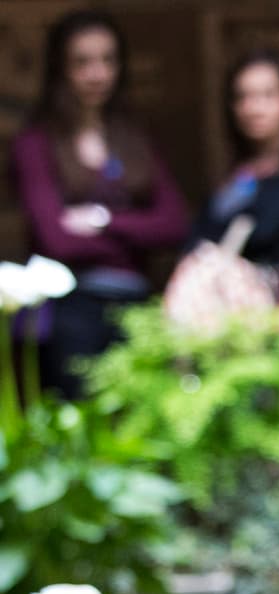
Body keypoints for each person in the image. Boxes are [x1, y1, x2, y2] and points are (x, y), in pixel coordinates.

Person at [11, 9, 190, 395]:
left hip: (136, 305)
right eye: (83, 62)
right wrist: (137, 233)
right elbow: (57, 241)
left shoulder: (134, 139)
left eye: (108, 60)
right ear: (61, 68)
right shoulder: (36, 144)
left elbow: (174, 223)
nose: (97, 74)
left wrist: (103, 221)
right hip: (71, 307)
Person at [191, 49, 279, 371]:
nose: (254, 108)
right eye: (244, 97)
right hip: (235, 323)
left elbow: (265, 228)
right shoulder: (238, 176)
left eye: (268, 95)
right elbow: (196, 237)